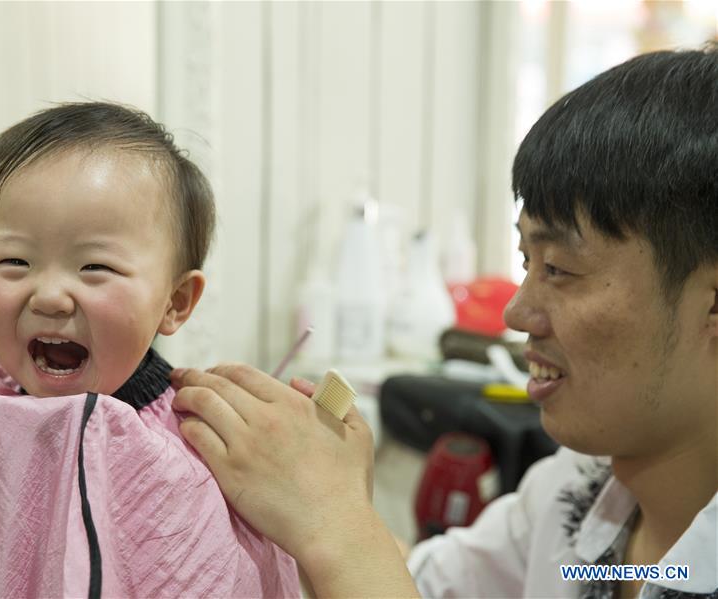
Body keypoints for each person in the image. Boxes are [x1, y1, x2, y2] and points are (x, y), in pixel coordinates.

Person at [170, 45, 718, 598]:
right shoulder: (578, 494)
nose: (516, 312)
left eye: (559, 269)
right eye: (527, 263)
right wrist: (323, 501)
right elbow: (430, 584)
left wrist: (335, 526)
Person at [0, 103, 299, 598]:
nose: (50, 296)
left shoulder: (199, 445)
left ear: (175, 300)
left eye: (95, 267)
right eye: (15, 261)